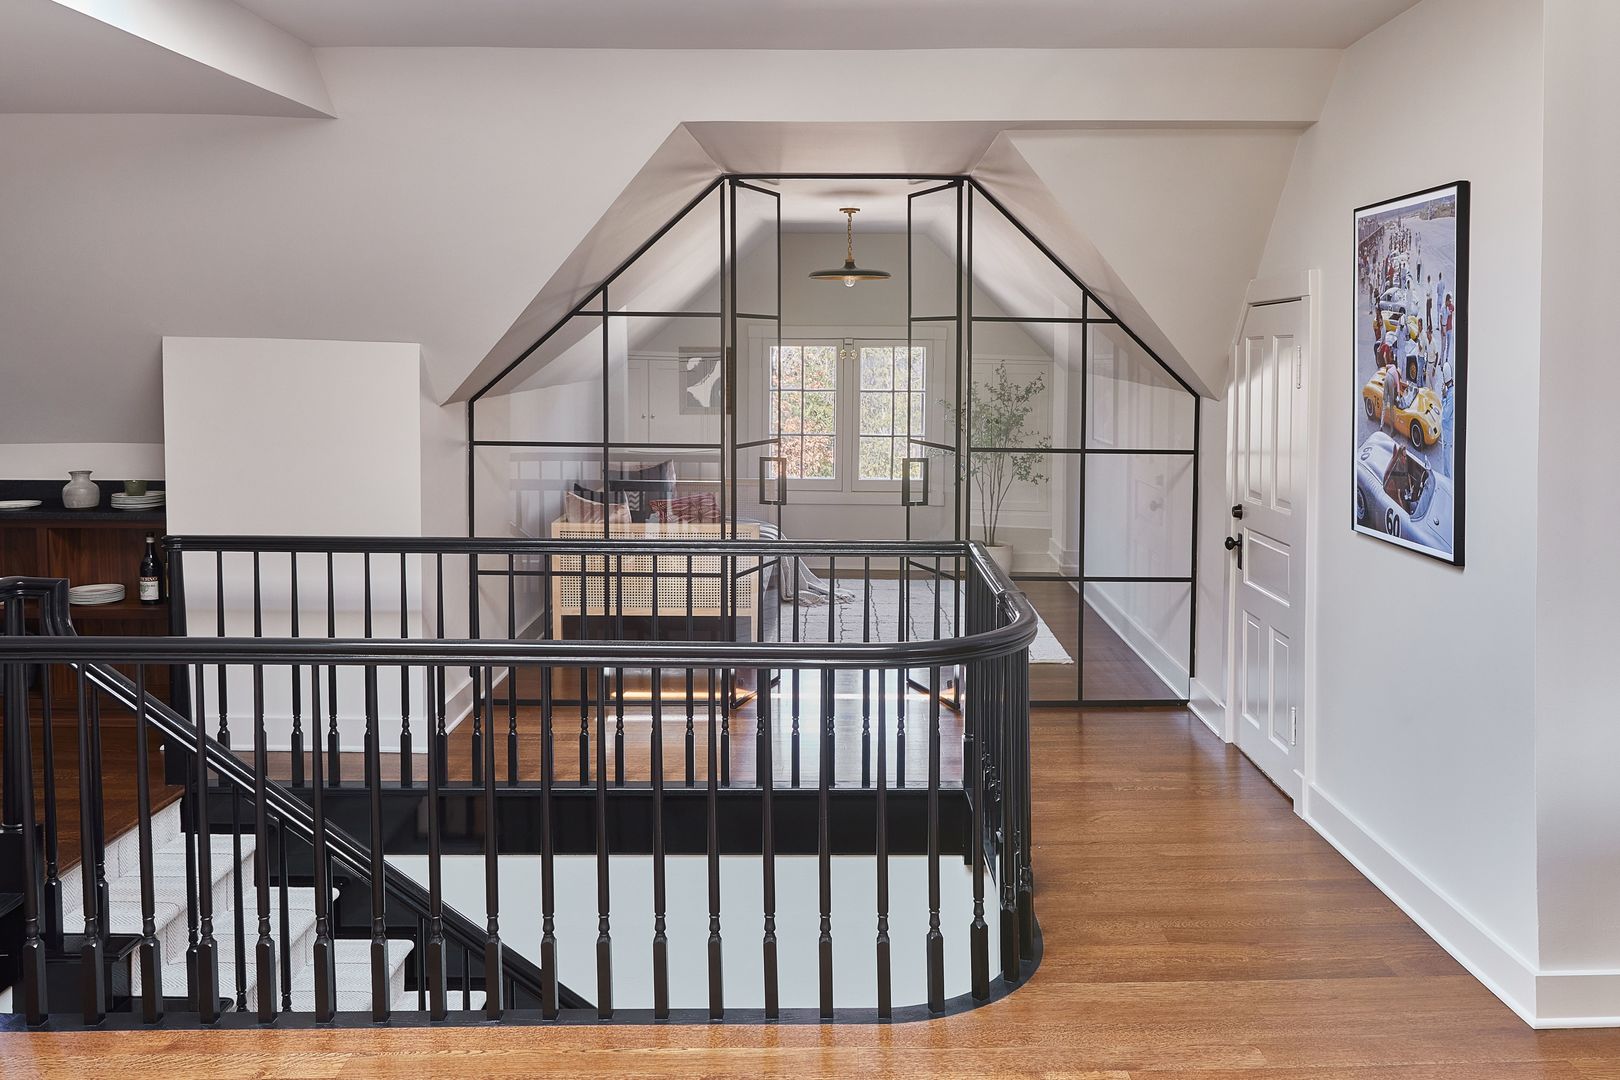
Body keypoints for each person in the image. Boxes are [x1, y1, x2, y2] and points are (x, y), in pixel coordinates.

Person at [1383, 361, 1404, 435]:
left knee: (1386, 403)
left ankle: (1382, 426)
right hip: (1390, 383)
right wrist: (1398, 398)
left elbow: (1386, 365)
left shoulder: (1393, 366)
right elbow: (1398, 389)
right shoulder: (1396, 377)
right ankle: (1392, 431)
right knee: (1392, 408)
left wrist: (1387, 374)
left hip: (1386, 379)